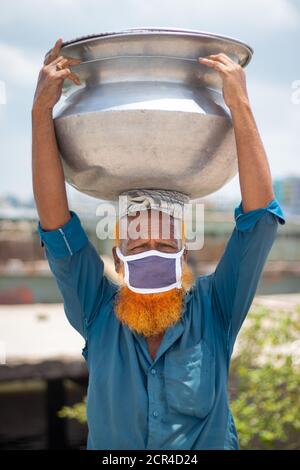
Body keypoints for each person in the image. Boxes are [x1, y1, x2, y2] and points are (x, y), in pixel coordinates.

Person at [32, 38, 285, 450]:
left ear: (184, 254)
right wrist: (41, 112)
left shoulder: (215, 310)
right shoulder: (97, 312)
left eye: (165, 246)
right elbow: (57, 228)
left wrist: (240, 105)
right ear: (118, 257)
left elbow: (258, 222)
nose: (152, 251)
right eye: (138, 244)